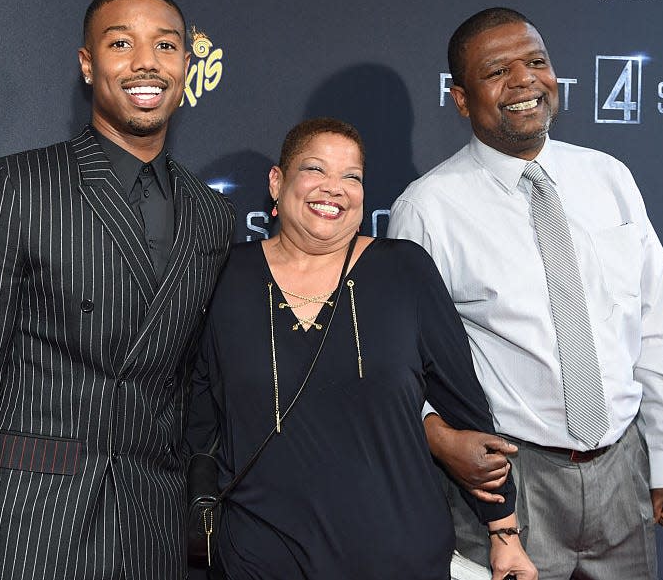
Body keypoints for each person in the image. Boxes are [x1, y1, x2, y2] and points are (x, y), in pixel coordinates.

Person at [0, 0, 234, 580]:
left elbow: (192, 394)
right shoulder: (17, 186)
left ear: (187, 64)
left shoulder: (211, 214)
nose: (147, 62)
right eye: (122, 43)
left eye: (166, 46)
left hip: (152, 535)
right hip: (30, 530)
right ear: (88, 65)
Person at [388, 7, 663, 579]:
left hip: (624, 470)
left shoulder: (611, 178)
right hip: (508, 486)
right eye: (498, 71)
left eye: (536, 62)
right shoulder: (427, 210)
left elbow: (656, 323)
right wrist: (443, 438)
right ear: (459, 99)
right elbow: (400, 362)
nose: (525, 81)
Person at [186, 117, 536, 580]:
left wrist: (504, 534)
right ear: (277, 182)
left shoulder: (404, 272)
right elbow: (196, 419)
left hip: (398, 557)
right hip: (260, 559)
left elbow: (468, 412)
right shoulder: (224, 278)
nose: (334, 189)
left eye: (351, 176)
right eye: (315, 170)